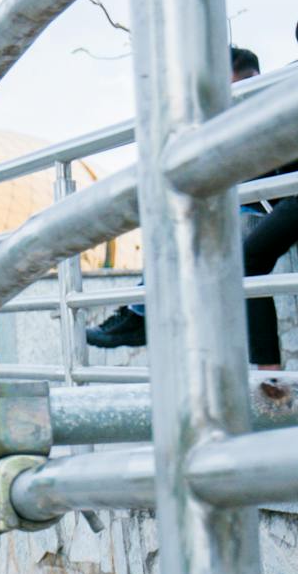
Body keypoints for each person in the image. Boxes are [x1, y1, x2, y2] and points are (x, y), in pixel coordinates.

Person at [87, 46, 295, 368]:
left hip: (272, 200)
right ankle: (140, 313)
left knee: (237, 253)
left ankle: (141, 314)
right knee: (184, 216)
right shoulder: (261, 99)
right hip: (261, 199)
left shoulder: (268, 93)